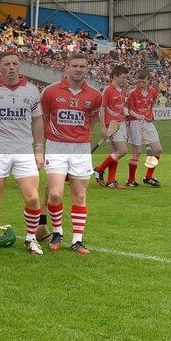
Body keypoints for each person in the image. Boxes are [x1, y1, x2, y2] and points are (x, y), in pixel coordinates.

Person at [0, 51, 46, 255]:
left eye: (15, 63)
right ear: (0, 67)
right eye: (7, 64)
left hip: (24, 151)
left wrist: (39, 149)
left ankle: (31, 238)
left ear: (19, 66)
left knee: (33, 198)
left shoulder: (32, 91)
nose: (11, 67)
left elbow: (38, 121)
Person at [40, 53, 103, 254]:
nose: (78, 69)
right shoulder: (50, 92)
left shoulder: (94, 95)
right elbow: (43, 118)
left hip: (81, 149)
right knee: (55, 193)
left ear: (87, 69)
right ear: (67, 68)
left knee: (79, 194)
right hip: (56, 147)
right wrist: (41, 145)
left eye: (82, 66)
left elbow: (91, 121)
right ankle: (57, 232)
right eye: (74, 65)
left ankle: (77, 240)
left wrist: (81, 136)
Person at [92, 66, 131, 188]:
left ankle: (111, 181)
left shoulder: (123, 91)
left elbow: (120, 108)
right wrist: (103, 127)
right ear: (115, 76)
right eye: (123, 77)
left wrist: (126, 123)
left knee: (115, 152)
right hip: (112, 124)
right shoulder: (108, 90)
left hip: (121, 123)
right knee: (122, 151)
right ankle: (99, 169)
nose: (125, 80)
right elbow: (102, 109)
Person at [125, 70, 162, 188]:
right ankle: (131, 180)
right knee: (137, 152)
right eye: (138, 82)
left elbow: (151, 106)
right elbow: (129, 110)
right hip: (135, 122)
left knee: (157, 149)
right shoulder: (132, 93)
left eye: (143, 82)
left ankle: (149, 177)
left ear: (148, 81)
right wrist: (137, 116)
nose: (140, 84)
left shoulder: (153, 92)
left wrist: (147, 116)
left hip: (148, 122)